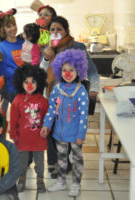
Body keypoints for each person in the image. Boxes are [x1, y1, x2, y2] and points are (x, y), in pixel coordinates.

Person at [40, 16, 100, 177]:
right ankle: (54, 164)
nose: (55, 32)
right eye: (52, 30)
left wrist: (94, 89)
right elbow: (41, 72)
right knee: (52, 132)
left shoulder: (78, 47)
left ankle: (65, 162)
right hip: (51, 96)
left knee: (67, 131)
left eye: (59, 29)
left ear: (66, 30)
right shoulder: (47, 47)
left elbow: (92, 70)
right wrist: (46, 57)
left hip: (72, 97)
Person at [40, 49, 89, 197]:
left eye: (72, 70)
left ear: (78, 70)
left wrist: (81, 134)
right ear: (59, 71)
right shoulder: (57, 89)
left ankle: (76, 183)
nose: (67, 73)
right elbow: (51, 110)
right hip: (59, 132)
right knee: (61, 159)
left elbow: (83, 115)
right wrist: (46, 125)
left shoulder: (81, 91)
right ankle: (61, 182)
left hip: (75, 134)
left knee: (77, 159)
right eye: (64, 70)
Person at [10, 64, 48, 193]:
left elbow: (47, 119)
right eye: (26, 82)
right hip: (22, 138)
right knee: (22, 161)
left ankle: (40, 180)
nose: (30, 85)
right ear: (21, 83)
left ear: (40, 82)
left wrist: (47, 129)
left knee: (40, 162)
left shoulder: (43, 101)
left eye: (33, 81)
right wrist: (13, 133)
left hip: (39, 138)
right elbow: (13, 118)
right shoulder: (17, 100)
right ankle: (21, 179)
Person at [0, 8, 24, 102]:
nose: (13, 28)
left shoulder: (24, 42)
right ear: (3, 29)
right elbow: (3, 71)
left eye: (14, 25)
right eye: (8, 26)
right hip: (13, 90)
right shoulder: (0, 47)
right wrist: (23, 72)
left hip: (29, 88)